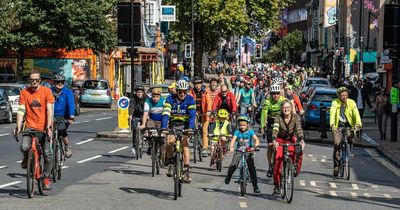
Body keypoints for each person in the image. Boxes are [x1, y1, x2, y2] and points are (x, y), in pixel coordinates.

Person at [15, 69, 55, 190]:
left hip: (43, 127)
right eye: (32, 80)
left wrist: (48, 127)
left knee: (48, 155)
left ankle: (46, 177)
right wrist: (18, 126)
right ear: (29, 80)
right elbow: (21, 110)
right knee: (24, 147)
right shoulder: (24, 93)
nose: (34, 82)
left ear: (40, 80)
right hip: (30, 127)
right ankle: (27, 159)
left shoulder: (46, 91)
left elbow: (49, 110)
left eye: (37, 79)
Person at [162, 80, 196, 182]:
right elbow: (166, 114)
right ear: (176, 91)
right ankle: (171, 163)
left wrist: (190, 129)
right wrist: (164, 127)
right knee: (169, 143)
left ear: (187, 92)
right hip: (173, 125)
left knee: (184, 144)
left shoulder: (190, 100)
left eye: (184, 92)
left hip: (185, 126)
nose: (182, 94)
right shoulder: (170, 99)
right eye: (180, 92)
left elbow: (192, 115)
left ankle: (186, 170)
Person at [271, 101, 305, 194]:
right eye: (284, 108)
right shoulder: (278, 117)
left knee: (296, 153)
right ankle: (277, 185)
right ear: (281, 109)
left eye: (288, 108)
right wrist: (274, 140)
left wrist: (301, 140)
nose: (286, 110)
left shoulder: (295, 117)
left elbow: (298, 129)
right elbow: (275, 129)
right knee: (278, 160)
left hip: (290, 140)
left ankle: (293, 168)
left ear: (291, 109)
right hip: (280, 140)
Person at [330, 87, 362, 177]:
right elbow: (332, 113)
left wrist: (358, 124)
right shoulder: (335, 102)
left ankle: (349, 151)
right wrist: (332, 125)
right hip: (338, 126)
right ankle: (336, 166)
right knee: (337, 144)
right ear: (339, 96)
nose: (344, 97)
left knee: (351, 137)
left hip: (349, 125)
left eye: (345, 95)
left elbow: (356, 114)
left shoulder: (352, 102)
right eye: (342, 95)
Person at [224, 115, 260, 193]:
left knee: (252, 168)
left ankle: (255, 186)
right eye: (240, 125)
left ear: (247, 125)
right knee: (233, 165)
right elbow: (233, 140)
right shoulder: (237, 132)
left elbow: (256, 139)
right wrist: (231, 147)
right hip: (239, 150)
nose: (242, 127)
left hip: (248, 151)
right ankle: (228, 176)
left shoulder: (250, 131)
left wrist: (255, 146)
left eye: (244, 125)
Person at [260, 84, 287, 178]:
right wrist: (263, 127)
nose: (275, 95)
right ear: (270, 94)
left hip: (282, 123)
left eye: (277, 93)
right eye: (273, 94)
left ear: (280, 93)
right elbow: (264, 115)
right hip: (271, 123)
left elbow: (288, 113)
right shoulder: (267, 102)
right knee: (270, 145)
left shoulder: (283, 101)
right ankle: (270, 165)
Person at [52, 74, 75, 158]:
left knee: (61, 131)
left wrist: (71, 116)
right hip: (51, 115)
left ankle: (66, 146)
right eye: (58, 82)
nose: (60, 83)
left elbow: (71, 104)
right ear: (53, 82)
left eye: (62, 82)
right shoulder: (49, 91)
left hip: (64, 116)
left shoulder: (67, 92)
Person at [190, 77, 212, 157]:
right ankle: (193, 136)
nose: (197, 85)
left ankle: (205, 148)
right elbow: (190, 101)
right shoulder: (192, 92)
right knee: (192, 126)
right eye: (196, 84)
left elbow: (209, 102)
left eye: (199, 83)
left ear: (201, 84)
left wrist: (209, 111)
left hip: (204, 113)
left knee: (204, 130)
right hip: (195, 112)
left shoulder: (205, 92)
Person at [139, 88, 165, 154]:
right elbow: (145, 113)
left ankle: (162, 149)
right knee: (148, 131)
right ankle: (150, 145)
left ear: (160, 96)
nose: (155, 98)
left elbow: (167, 114)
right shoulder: (148, 102)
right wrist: (143, 124)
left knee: (162, 135)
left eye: (157, 97)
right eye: (153, 97)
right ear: (151, 96)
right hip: (152, 120)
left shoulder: (164, 101)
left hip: (161, 120)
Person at [129, 85, 148, 156]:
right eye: (137, 92)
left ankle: (143, 138)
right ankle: (134, 146)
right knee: (134, 129)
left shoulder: (146, 98)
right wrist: (130, 115)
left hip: (144, 115)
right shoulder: (133, 98)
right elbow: (131, 107)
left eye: (140, 92)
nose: (138, 93)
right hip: (136, 115)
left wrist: (147, 116)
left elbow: (148, 108)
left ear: (143, 92)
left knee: (145, 128)